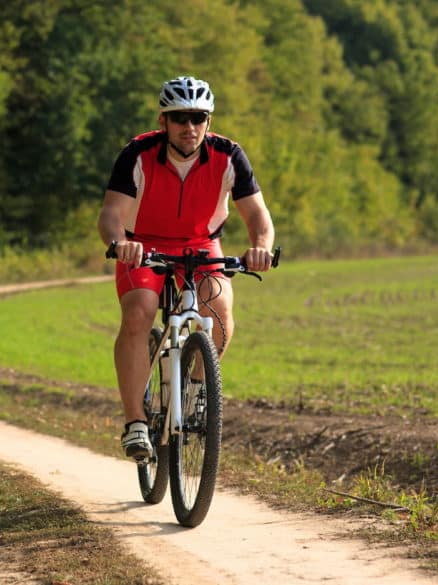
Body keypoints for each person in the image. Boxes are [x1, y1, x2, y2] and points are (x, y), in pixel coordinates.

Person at [97, 75, 276, 461]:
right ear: (164, 122)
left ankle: (196, 392)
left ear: (209, 121)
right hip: (142, 246)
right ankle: (136, 424)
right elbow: (111, 214)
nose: (189, 127)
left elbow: (258, 214)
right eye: (180, 118)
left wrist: (260, 247)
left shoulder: (229, 155)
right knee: (139, 311)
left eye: (198, 117)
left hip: (201, 245)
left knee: (220, 313)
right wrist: (119, 244)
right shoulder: (138, 153)